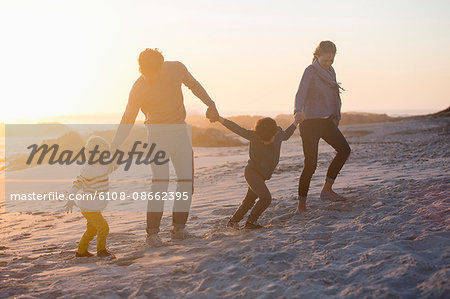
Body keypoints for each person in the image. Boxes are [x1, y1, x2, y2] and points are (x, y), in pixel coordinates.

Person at [111, 48, 219, 247]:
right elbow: (127, 119)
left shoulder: (177, 68)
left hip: (180, 132)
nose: (149, 77)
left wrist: (210, 103)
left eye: (153, 72)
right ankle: (152, 235)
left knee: (186, 183)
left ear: (161, 66)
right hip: (157, 135)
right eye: (145, 72)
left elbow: (194, 85)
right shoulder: (138, 88)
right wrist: (115, 146)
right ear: (140, 69)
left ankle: (179, 229)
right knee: (160, 183)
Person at [210, 114, 297, 228]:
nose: (264, 141)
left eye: (267, 139)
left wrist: (296, 122)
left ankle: (233, 221)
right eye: (261, 138)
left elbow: (287, 135)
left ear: (274, 133)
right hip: (251, 173)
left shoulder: (279, 133)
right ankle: (251, 222)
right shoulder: (254, 136)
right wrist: (219, 119)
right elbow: (236, 128)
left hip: (262, 176)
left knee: (249, 200)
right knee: (266, 198)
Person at [294, 40, 351, 213]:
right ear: (317, 55)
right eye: (325, 60)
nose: (328, 64)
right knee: (310, 164)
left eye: (331, 61)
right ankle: (301, 205)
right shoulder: (310, 71)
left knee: (344, 150)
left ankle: (327, 189)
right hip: (310, 123)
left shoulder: (331, 71)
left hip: (326, 121)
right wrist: (297, 110)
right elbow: (301, 92)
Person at [65, 136, 117, 258]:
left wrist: (115, 151)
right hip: (88, 206)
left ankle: (81, 252)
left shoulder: (103, 166)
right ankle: (101, 251)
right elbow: (77, 183)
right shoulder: (88, 169)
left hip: (94, 205)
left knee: (92, 229)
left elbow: (114, 165)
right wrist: (71, 198)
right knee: (103, 227)